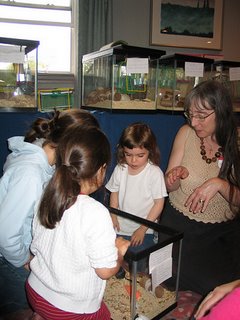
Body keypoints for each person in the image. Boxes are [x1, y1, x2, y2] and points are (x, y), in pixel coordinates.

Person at [0, 109, 100, 317]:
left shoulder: (44, 158)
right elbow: (6, 232)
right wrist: (24, 260)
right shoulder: (30, 173)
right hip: (11, 257)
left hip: (22, 251)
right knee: (22, 310)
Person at [26, 125, 130, 320]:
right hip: (69, 308)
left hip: (35, 290)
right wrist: (119, 252)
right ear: (101, 170)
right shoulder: (96, 213)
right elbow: (105, 271)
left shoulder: (46, 194)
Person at [159, 80, 240, 296]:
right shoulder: (185, 133)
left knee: (220, 291)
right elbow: (169, 185)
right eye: (190, 114)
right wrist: (174, 177)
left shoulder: (237, 142)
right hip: (178, 226)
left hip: (219, 233)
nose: (194, 122)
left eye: (201, 116)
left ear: (221, 112)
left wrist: (220, 184)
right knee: (166, 277)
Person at [106, 122, 167, 273]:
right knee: (112, 259)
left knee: (138, 266)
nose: (133, 161)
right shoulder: (121, 168)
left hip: (144, 229)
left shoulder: (154, 173)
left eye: (140, 155)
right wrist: (113, 216)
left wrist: (143, 228)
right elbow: (114, 192)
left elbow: (159, 203)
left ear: (150, 152)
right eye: (128, 155)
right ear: (122, 151)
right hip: (120, 226)